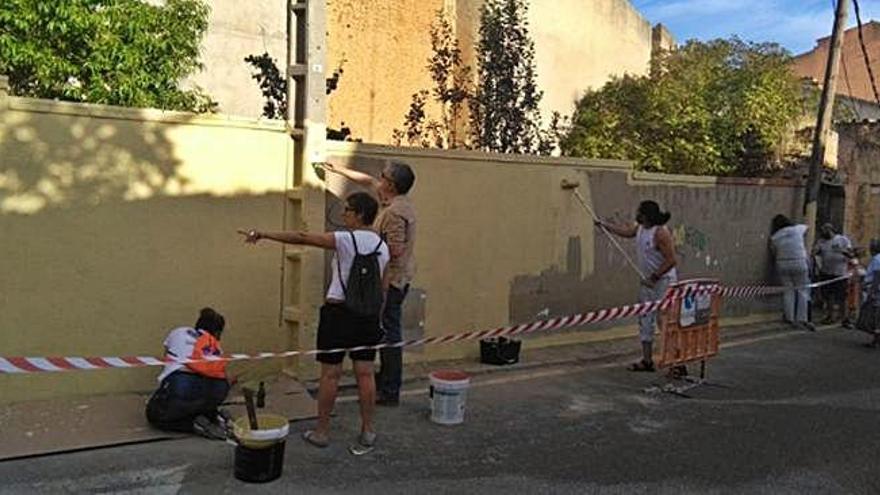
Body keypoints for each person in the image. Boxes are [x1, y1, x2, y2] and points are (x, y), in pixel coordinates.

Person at [239, 191, 390, 451]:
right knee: (365, 374)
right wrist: (377, 317)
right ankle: (367, 430)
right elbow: (383, 286)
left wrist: (264, 234)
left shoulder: (344, 239)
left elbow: (302, 237)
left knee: (330, 375)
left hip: (338, 314)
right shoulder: (382, 246)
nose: (343, 215)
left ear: (360, 214)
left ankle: (322, 432)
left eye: (347, 210)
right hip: (367, 317)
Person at [321, 161, 416, 406]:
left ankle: (389, 389)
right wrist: (338, 169)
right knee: (384, 331)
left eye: (383, 176)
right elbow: (367, 180)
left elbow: (396, 249)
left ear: (391, 184)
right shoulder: (392, 200)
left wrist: (366, 245)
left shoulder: (395, 212)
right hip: (392, 278)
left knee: (388, 334)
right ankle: (383, 381)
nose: (378, 179)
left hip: (391, 281)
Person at [597, 200, 678, 372]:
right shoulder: (640, 228)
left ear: (647, 215)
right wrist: (605, 226)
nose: (637, 215)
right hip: (646, 282)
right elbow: (626, 232)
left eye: (640, 212)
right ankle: (647, 361)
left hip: (663, 282)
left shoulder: (660, 233)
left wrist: (654, 277)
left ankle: (676, 362)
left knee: (663, 321)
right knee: (645, 319)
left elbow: (671, 260)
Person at [145, 307, 233, 440]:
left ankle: (192, 424)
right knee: (202, 399)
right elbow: (221, 373)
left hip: (184, 382)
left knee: (155, 415)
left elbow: (167, 361)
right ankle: (215, 416)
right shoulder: (216, 346)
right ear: (217, 332)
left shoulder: (179, 332)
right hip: (219, 388)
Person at [769, 215, 815, 331]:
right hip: (799, 262)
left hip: (782, 263)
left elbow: (773, 251)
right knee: (802, 291)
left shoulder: (775, 237)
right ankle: (802, 318)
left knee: (788, 291)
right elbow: (807, 226)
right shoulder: (797, 229)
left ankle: (789, 317)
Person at [812, 223, 854, 325]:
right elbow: (814, 252)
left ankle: (845, 317)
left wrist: (841, 251)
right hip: (826, 272)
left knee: (841, 297)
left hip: (840, 273)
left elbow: (851, 254)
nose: (822, 233)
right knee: (828, 296)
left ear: (830, 230)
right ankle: (831, 316)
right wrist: (815, 251)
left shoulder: (842, 239)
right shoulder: (821, 241)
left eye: (825, 230)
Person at [857, 239, 880, 348]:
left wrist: (873, 291)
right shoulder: (876, 259)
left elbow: (877, 276)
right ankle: (875, 339)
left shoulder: (877, 259)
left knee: (871, 317)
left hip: (874, 291)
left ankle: (876, 338)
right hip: (874, 290)